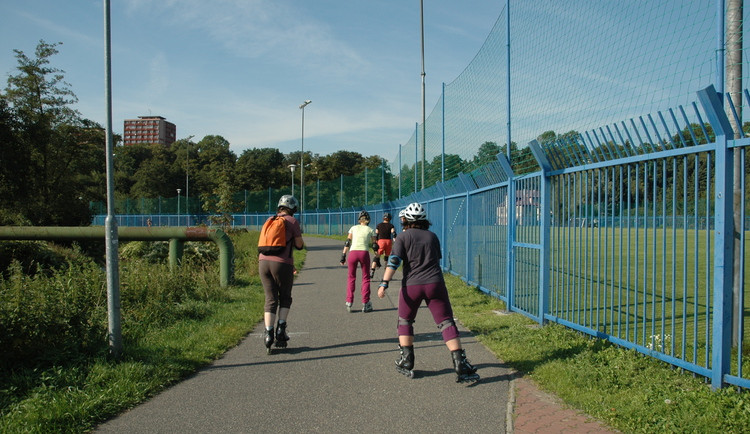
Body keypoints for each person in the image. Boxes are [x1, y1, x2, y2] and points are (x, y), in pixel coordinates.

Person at [377, 202, 479, 383]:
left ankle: (407, 361)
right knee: (446, 322)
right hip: (435, 283)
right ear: (425, 221)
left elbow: (394, 261)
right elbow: (435, 259)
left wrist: (384, 282)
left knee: (405, 321)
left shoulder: (402, 237)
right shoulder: (432, 236)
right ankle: (460, 363)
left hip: (412, 285)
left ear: (405, 221)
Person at [259, 195, 304, 354]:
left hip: (263, 262)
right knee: (285, 297)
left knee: (270, 298)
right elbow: (299, 245)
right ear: (293, 208)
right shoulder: (292, 221)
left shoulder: (269, 220)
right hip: (282, 263)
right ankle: (280, 330)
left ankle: (268, 334)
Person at [340, 210, 378, 313]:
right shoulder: (370, 230)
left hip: (352, 253)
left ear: (359, 220)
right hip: (363, 253)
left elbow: (347, 242)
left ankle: (349, 301)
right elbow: (375, 245)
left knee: (351, 277)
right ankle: (366, 303)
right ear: (368, 220)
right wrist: (376, 256)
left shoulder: (353, 228)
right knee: (365, 278)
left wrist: (343, 255)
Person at [370, 212, 396, 278]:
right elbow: (393, 233)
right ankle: (386, 274)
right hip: (388, 242)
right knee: (387, 258)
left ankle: (372, 271)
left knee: (377, 256)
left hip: (381, 241)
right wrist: (394, 239)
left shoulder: (379, 225)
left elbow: (376, 234)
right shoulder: (391, 225)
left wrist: (375, 242)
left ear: (383, 218)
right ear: (389, 219)